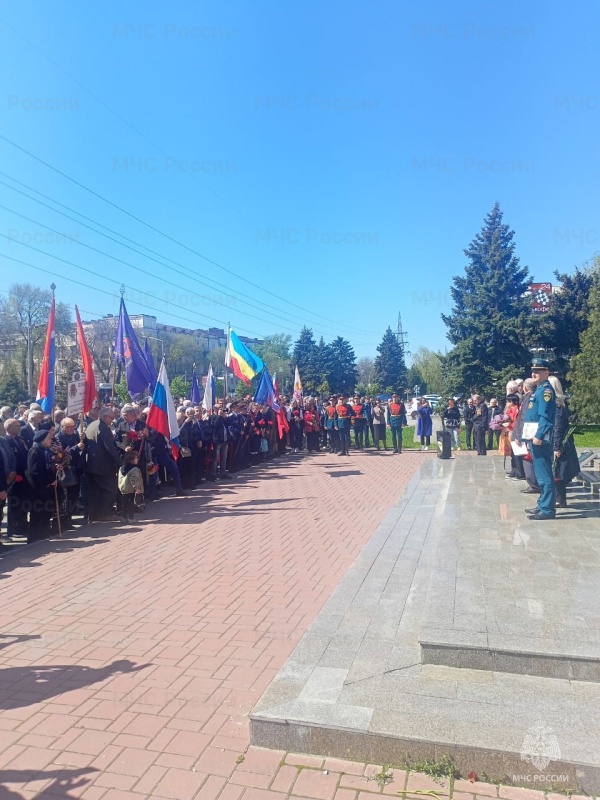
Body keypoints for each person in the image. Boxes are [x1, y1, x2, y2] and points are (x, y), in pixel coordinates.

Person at [521, 358, 556, 520]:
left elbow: (546, 418)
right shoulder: (539, 389)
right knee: (540, 472)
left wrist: (539, 436)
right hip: (533, 436)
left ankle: (547, 509)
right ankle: (543, 503)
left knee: (544, 474)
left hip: (539, 438)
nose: (534, 373)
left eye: (538, 370)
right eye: (533, 370)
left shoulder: (546, 391)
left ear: (546, 373)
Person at [85, 406, 122, 522]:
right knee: (111, 489)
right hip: (103, 466)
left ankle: (94, 515)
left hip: (92, 465)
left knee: (96, 491)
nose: (113, 420)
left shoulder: (92, 424)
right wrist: (120, 463)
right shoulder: (103, 428)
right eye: (111, 418)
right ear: (105, 417)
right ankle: (104, 513)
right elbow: (110, 448)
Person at [549, 375, 579, 508]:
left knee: (559, 472)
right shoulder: (554, 406)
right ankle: (559, 499)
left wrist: (556, 447)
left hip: (561, 445)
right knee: (557, 472)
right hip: (557, 443)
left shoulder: (558, 408)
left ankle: (559, 500)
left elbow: (558, 429)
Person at [25, 428, 58, 543]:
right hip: (37, 489)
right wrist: (48, 480)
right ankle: (34, 539)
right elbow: (34, 472)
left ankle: (43, 535)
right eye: (49, 438)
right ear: (43, 440)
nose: (51, 440)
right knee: (37, 514)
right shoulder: (35, 451)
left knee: (45, 513)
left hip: (45, 488)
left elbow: (47, 468)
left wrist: (53, 476)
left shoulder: (44, 450)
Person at [118, 451, 144, 523]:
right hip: (131, 489)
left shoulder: (122, 468)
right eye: (136, 458)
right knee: (131, 504)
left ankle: (124, 517)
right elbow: (134, 479)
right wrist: (137, 488)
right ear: (131, 460)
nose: (137, 459)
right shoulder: (134, 469)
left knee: (125, 504)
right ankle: (131, 518)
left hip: (124, 489)